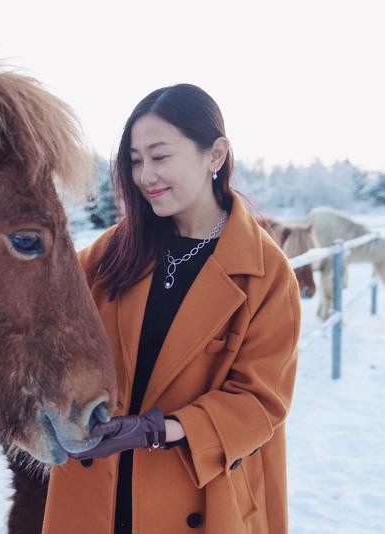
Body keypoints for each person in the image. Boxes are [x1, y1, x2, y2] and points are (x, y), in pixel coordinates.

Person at [42, 84, 301, 533]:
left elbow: (261, 403)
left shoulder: (265, 273)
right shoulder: (114, 251)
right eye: (136, 160)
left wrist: (156, 430)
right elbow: (43, 308)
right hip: (97, 495)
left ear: (214, 154)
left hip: (196, 494)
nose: (145, 176)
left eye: (160, 157)